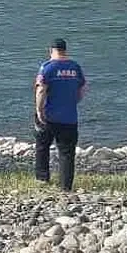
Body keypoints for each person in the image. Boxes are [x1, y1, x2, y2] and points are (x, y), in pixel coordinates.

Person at [34, 38, 87, 191]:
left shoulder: (47, 68)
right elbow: (83, 88)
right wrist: (73, 101)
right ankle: (65, 186)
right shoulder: (75, 67)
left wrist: (39, 110)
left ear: (51, 50)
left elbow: (41, 89)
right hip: (69, 117)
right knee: (67, 152)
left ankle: (42, 178)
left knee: (42, 146)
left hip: (49, 115)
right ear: (65, 50)